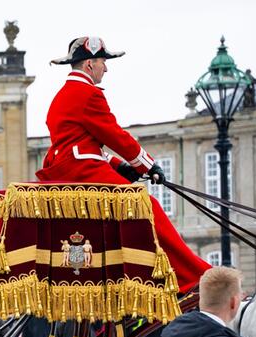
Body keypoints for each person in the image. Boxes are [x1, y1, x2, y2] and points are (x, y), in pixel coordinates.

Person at [37, 36, 209, 293]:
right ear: (90, 64)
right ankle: (189, 276)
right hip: (82, 171)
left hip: (69, 167)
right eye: (103, 62)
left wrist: (118, 166)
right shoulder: (87, 93)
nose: (106, 68)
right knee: (144, 205)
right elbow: (114, 135)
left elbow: (80, 144)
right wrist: (147, 166)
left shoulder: (61, 96)